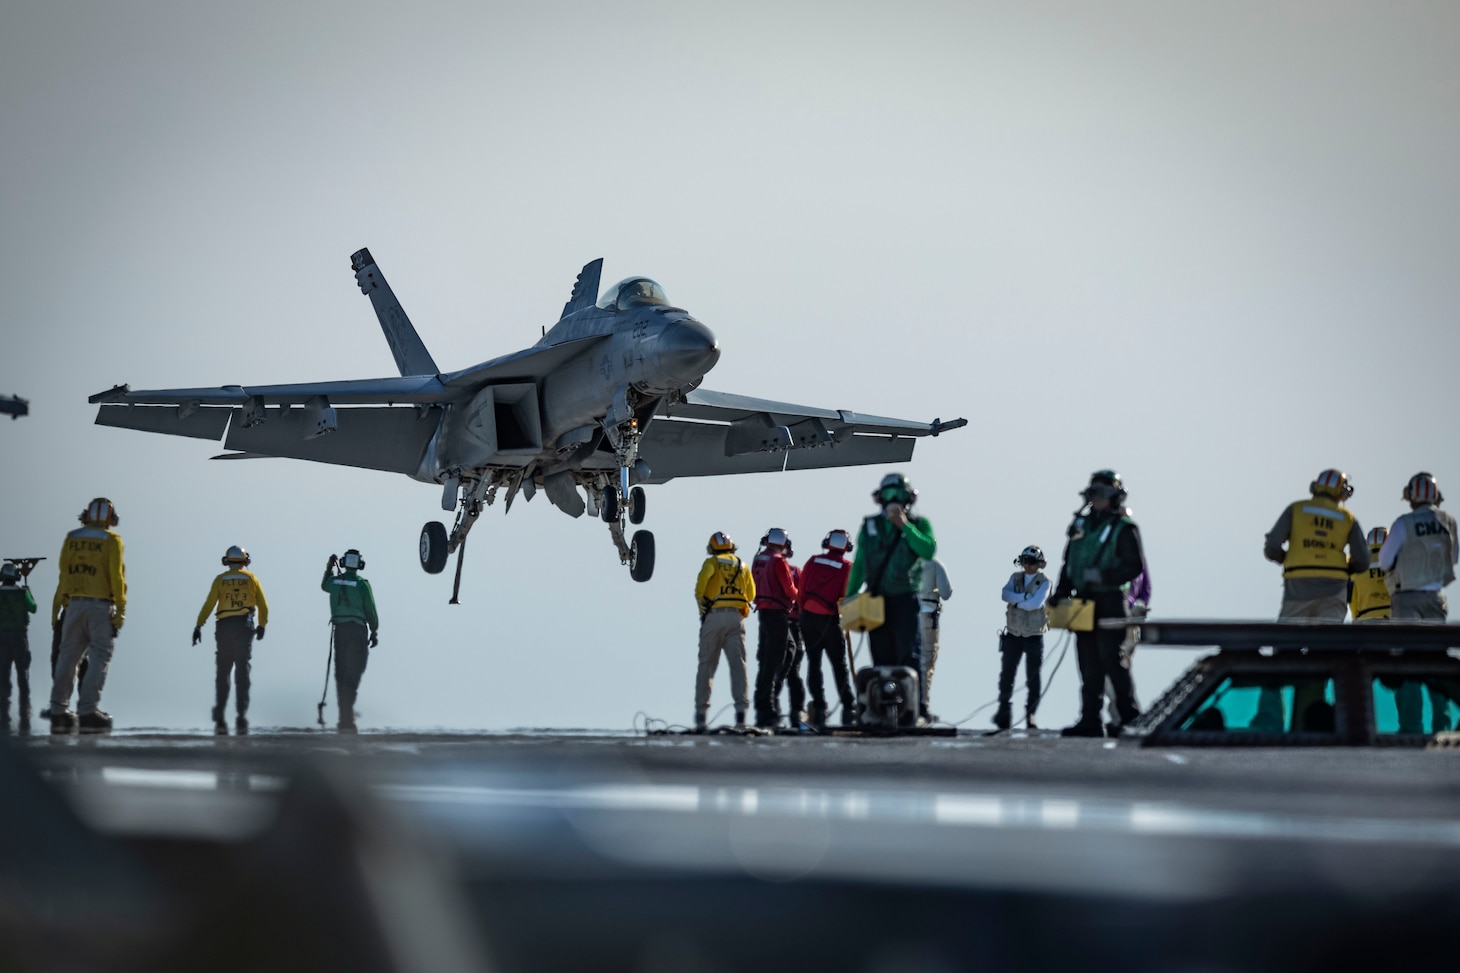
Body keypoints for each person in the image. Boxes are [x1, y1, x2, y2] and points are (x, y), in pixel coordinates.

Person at [1050, 471, 1145, 738]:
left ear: (1115, 497)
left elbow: (1134, 566)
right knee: (1088, 664)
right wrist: (1061, 591)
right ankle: (1090, 719)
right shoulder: (1082, 526)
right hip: (1084, 602)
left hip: (1111, 601)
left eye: (1101, 494)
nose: (1095, 499)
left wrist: (1104, 576)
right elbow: (1068, 562)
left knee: (1112, 662)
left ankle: (1130, 717)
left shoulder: (1124, 528)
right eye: (1092, 494)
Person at [846, 473, 937, 722]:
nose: (894, 500)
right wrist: (849, 597)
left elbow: (927, 550)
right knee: (881, 655)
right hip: (876, 600)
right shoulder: (870, 526)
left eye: (898, 495)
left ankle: (916, 708)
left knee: (909, 655)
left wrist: (904, 527)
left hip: (906, 599)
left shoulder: (919, 525)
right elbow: (860, 564)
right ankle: (881, 708)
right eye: (889, 495)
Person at [49, 497, 126, 733]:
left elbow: (64, 573)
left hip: (73, 605)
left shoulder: (72, 538)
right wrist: (120, 610)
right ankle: (87, 710)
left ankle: (58, 710)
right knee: (99, 657)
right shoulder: (112, 540)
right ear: (110, 518)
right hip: (100, 607)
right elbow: (116, 577)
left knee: (68, 658)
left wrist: (61, 607)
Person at [1264, 469, 1368, 619]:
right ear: (1342, 493)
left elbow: (1271, 547)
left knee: (1288, 638)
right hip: (1334, 585)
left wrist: (1289, 558)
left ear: (1314, 487)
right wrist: (1346, 568)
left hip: (1298, 582)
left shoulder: (1296, 509)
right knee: (1328, 639)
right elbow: (1362, 560)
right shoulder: (1347, 518)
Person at [193, 545, 270, 735]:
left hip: (224, 627)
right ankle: (241, 716)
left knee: (223, 669)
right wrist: (262, 625)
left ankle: (220, 713)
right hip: (245, 627)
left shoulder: (220, 580)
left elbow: (209, 604)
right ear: (245, 561)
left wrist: (198, 625)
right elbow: (264, 606)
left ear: (227, 561)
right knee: (242, 669)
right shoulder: (251, 579)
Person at [693, 531, 755, 731]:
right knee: (738, 665)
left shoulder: (711, 563)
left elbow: (700, 588)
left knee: (707, 665)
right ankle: (741, 715)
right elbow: (751, 593)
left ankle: (701, 716)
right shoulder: (742, 565)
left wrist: (703, 608)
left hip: (714, 616)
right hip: (736, 619)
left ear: (712, 548)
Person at [798, 529, 857, 729]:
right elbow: (845, 596)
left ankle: (819, 707)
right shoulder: (847, 567)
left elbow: (802, 589)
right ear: (846, 547)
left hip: (807, 617)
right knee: (839, 665)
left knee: (813, 663)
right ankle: (849, 707)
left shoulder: (813, 561)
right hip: (829, 620)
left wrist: (803, 612)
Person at [1379, 472, 1457, 620]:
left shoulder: (1402, 524)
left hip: (1406, 598)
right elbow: (1453, 559)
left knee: (1406, 641)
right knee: (1435, 642)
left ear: (1412, 497)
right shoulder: (1449, 521)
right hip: (1436, 598)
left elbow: (1385, 561)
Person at [322, 549, 378, 733]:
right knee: (354, 671)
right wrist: (374, 630)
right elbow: (370, 608)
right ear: (360, 564)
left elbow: (324, 585)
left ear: (345, 562)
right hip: (357, 630)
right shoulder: (362, 584)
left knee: (341, 672)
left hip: (340, 631)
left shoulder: (335, 581)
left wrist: (329, 567)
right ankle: (347, 716)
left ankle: (344, 716)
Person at [997, 545, 1049, 730]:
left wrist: (1018, 600)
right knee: (1007, 673)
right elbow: (1005, 594)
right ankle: (1004, 710)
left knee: (1033, 676)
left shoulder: (1044, 582)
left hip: (1033, 635)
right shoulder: (1015, 578)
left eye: (1031, 562)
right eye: (1025, 561)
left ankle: (1031, 713)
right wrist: (1024, 597)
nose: (1027, 565)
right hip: (1013, 633)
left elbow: (1036, 604)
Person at [751, 528, 799, 728]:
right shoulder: (779, 561)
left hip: (764, 613)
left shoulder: (759, 558)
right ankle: (767, 708)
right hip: (777, 614)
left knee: (773, 657)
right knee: (777, 659)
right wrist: (805, 597)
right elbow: (790, 590)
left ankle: (765, 701)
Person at [0, 562, 37, 730]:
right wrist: (28, 592)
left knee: (3, 676)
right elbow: (33, 608)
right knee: (23, 676)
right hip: (19, 638)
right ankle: (25, 712)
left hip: (1, 639)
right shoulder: (22, 593)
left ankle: (3, 712)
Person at [918, 557, 954, 700]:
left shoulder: (904, 561)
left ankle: (902, 704)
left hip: (907, 615)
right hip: (928, 614)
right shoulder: (935, 564)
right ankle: (922, 705)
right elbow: (946, 593)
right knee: (927, 661)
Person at [1349, 527, 1392, 621]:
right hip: (1394, 617)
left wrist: (1355, 618)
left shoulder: (1358, 564)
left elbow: (1353, 598)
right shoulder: (1396, 560)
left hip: (1366, 619)